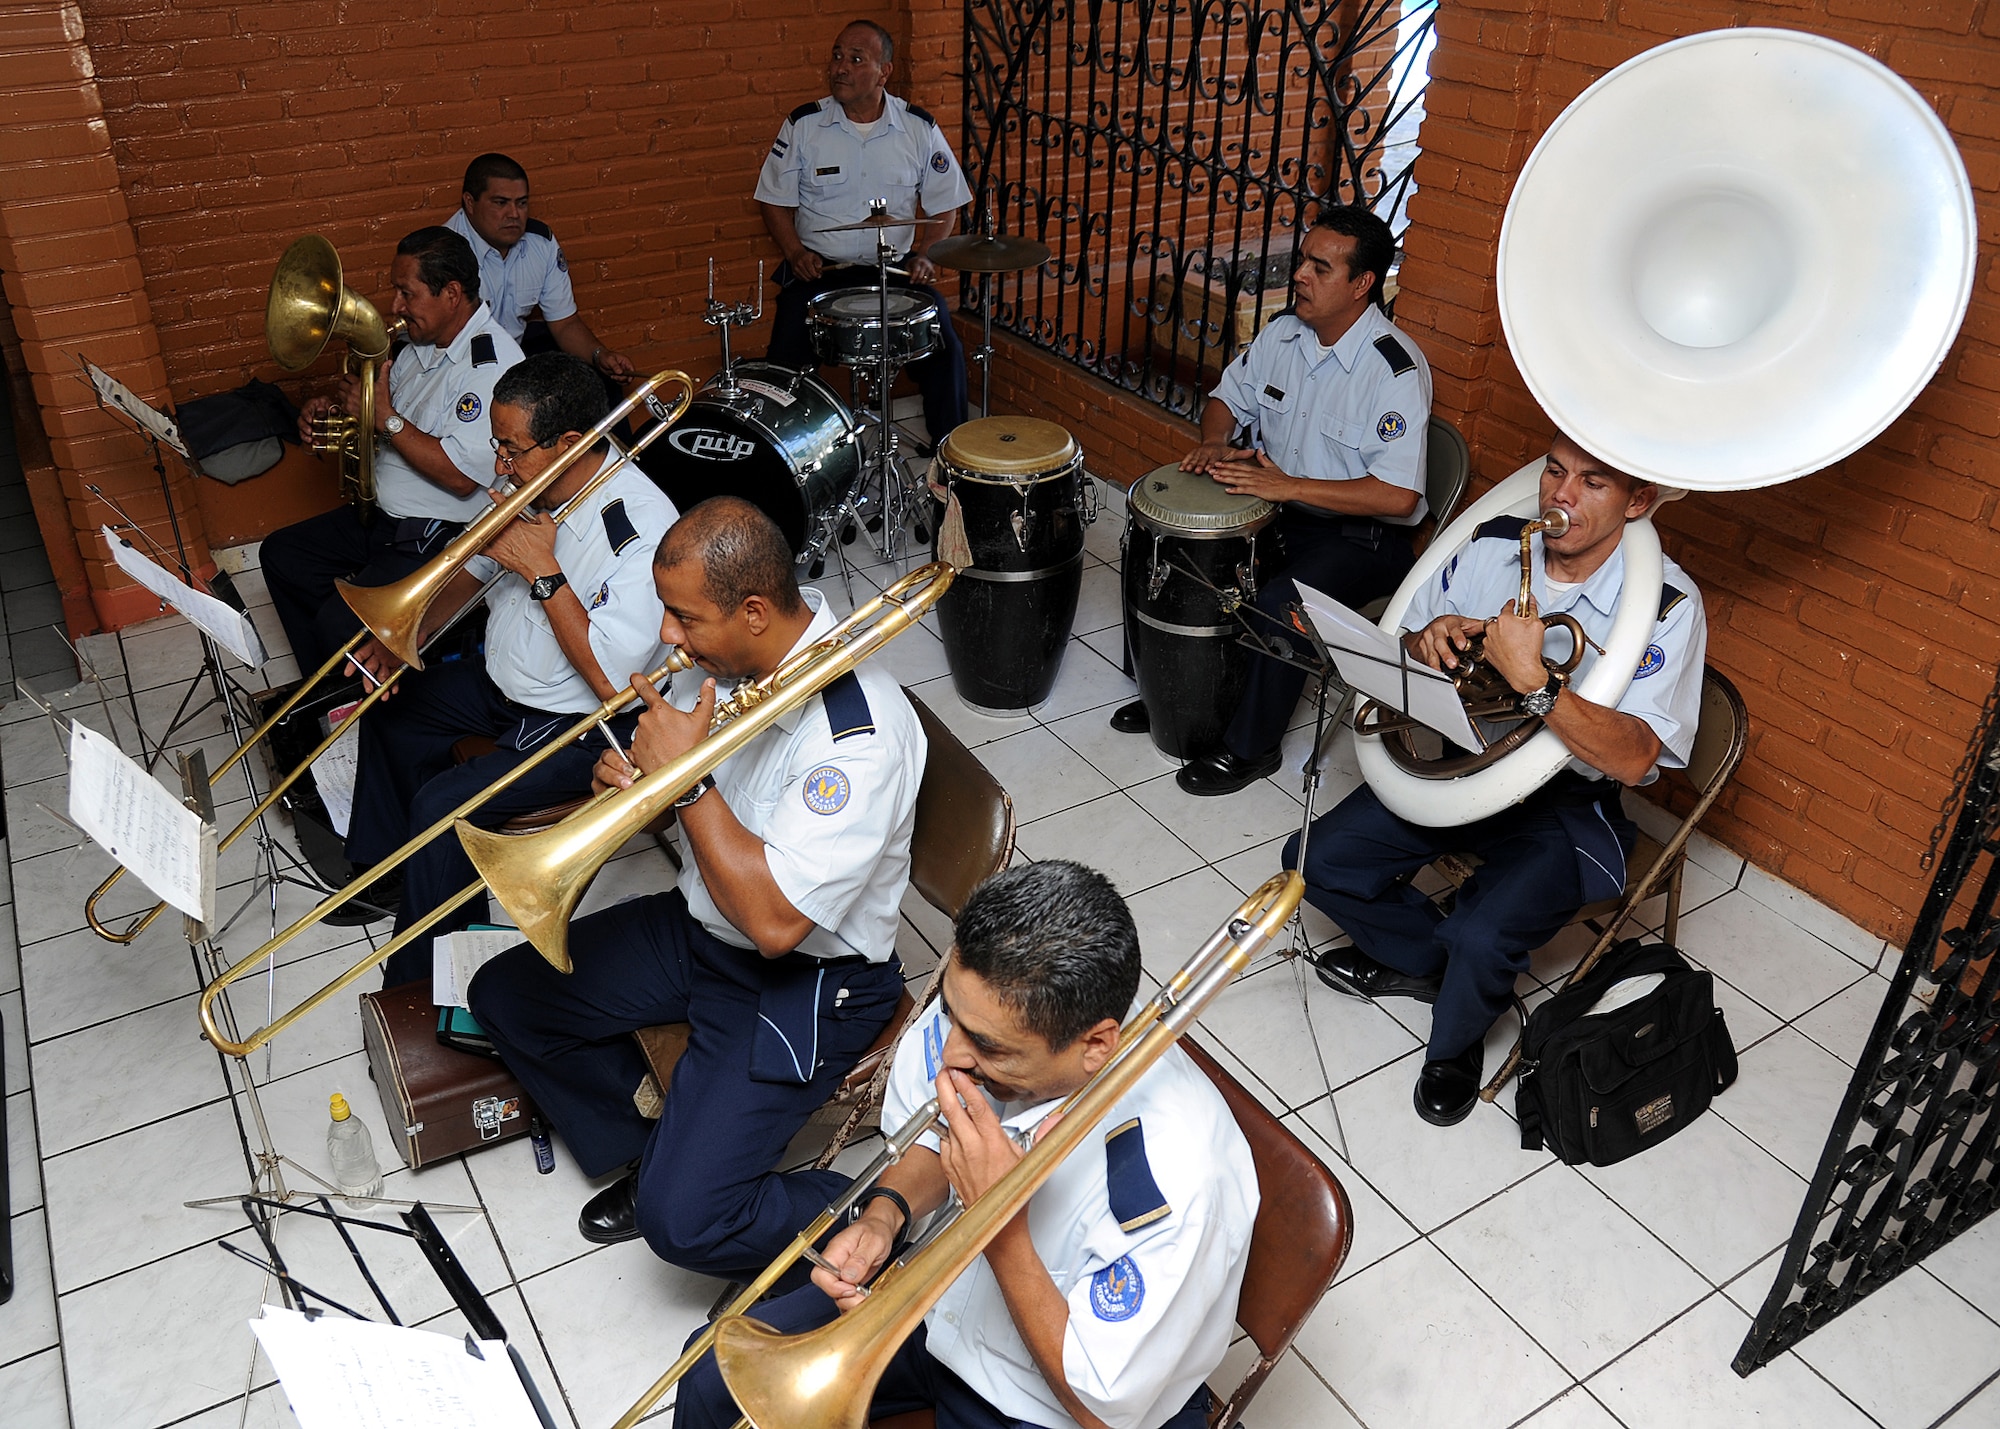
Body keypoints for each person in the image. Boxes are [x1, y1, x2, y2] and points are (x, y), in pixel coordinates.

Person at [467, 496, 925, 1271]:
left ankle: (870, 1214)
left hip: (807, 977)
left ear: (753, 611)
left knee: (684, 1225)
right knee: (504, 995)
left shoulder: (857, 735)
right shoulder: (726, 661)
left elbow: (776, 922)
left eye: (682, 617)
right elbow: (690, 826)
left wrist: (681, 784)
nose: (667, 637)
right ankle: (654, 1147)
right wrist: (636, 783)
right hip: (703, 925)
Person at [673, 859, 1260, 1429]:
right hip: (949, 1311)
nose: (952, 1052)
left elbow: (1100, 1406)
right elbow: (937, 1133)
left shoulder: (1180, 1180)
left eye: (986, 1047)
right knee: (712, 1377)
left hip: (1045, 1405)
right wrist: (887, 1213)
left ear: (1096, 1045)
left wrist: (996, 1222)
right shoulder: (990, 1011)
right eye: (950, 1013)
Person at [1294, 433, 1707, 1125]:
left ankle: (1454, 1043)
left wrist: (1535, 682)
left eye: (1592, 483)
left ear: (1638, 501)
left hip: (1570, 801)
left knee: (1483, 933)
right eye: (1553, 470)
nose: (1560, 495)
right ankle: (1434, 966)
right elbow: (1399, 639)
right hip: (1468, 761)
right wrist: (1427, 643)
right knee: (1315, 859)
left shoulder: (1668, 602)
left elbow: (1638, 757)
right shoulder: (1491, 541)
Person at [342, 353, 678, 971]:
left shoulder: (643, 530)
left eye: (512, 449)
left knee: (444, 809)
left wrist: (543, 573)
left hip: (581, 722)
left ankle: (428, 977)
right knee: (391, 714)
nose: (498, 466)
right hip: (505, 679)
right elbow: (471, 571)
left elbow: (609, 682)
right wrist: (401, 635)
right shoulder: (530, 482)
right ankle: (387, 874)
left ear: (571, 443)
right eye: (498, 446)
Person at [1110, 207, 1434, 798]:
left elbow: (1397, 494)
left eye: (1319, 267)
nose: (1300, 275)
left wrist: (1289, 487)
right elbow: (1224, 399)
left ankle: (1247, 748)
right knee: (1174, 552)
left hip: (1359, 538)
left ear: (1362, 284)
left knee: (1280, 599)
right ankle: (1172, 700)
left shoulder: (1394, 371)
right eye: (1304, 260)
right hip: (1276, 511)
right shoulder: (1283, 334)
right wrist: (1214, 442)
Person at [264, 226, 525, 675]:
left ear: (452, 293)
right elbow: (382, 426)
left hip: (434, 533)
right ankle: (327, 689)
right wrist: (334, 416)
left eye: (408, 293)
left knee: (338, 625)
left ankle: (350, 689)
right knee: (282, 555)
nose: (395, 307)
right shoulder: (414, 349)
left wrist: (383, 416)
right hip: (379, 519)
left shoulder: (493, 367)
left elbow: (462, 478)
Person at [756, 19, 971, 448]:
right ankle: (782, 462)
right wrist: (795, 252)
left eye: (856, 59)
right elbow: (772, 200)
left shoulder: (918, 129)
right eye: (837, 56)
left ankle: (953, 464)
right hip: (822, 272)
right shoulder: (803, 126)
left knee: (946, 351)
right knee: (780, 369)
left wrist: (927, 254)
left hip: (894, 271)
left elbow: (947, 202)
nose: (840, 67)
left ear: (884, 71)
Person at [445, 153, 635, 381]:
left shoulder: (540, 244)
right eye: (501, 203)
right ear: (470, 202)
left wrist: (599, 355)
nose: (514, 214)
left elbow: (564, 323)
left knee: (595, 382)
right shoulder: (443, 252)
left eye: (522, 203)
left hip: (514, 366)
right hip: (457, 372)